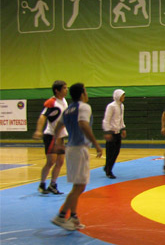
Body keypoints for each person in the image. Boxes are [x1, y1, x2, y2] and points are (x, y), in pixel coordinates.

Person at [50, 83, 103, 231]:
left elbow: (58, 126)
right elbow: (83, 124)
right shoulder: (84, 107)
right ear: (82, 94)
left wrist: (56, 142)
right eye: (86, 91)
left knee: (77, 185)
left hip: (71, 148)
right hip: (80, 149)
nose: (87, 93)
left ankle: (73, 217)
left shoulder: (67, 110)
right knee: (80, 186)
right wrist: (96, 144)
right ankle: (61, 216)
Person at [32, 80, 69, 195]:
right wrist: (38, 130)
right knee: (51, 161)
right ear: (57, 91)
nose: (66, 90)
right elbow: (43, 116)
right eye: (64, 88)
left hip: (60, 137)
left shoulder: (64, 101)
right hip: (51, 135)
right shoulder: (51, 102)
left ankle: (53, 184)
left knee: (60, 161)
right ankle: (42, 184)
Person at [102, 89, 126, 179]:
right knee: (110, 153)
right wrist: (107, 131)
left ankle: (107, 167)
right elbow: (106, 119)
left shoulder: (121, 106)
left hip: (118, 132)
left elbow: (121, 118)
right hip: (111, 133)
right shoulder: (111, 106)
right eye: (122, 95)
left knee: (116, 151)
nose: (124, 97)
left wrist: (123, 128)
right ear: (118, 96)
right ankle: (109, 171)